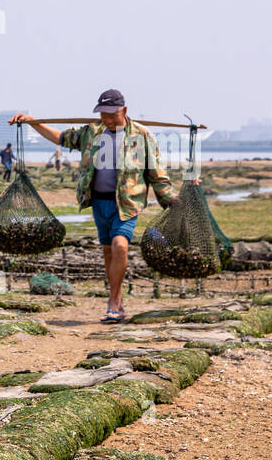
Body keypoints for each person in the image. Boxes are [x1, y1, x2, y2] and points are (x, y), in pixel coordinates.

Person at [12, 89, 176, 323]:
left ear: (124, 111)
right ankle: (116, 301)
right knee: (108, 251)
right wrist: (31, 122)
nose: (107, 119)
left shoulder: (142, 136)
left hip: (127, 203)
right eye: (103, 115)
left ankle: (114, 302)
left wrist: (172, 201)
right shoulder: (91, 132)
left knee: (120, 246)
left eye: (112, 114)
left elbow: (157, 174)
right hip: (99, 201)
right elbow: (60, 138)